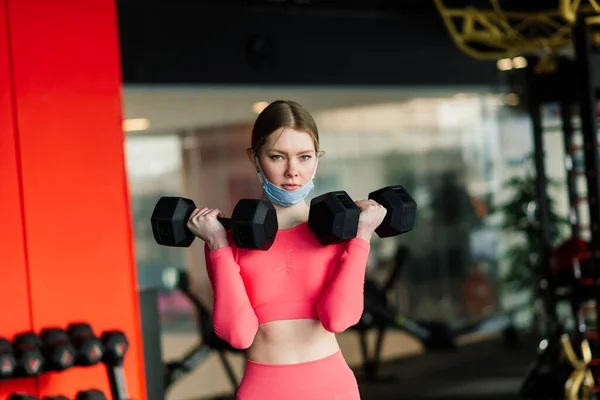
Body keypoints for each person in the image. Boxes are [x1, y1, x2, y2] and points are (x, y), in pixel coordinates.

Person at [187, 100, 387, 400]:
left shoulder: (340, 232)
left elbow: (339, 318)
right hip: (264, 390)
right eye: (278, 156)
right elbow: (237, 333)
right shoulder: (228, 239)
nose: (293, 171)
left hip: (333, 388)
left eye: (304, 157)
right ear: (255, 158)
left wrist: (362, 237)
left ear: (317, 159)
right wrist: (217, 244)